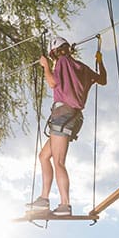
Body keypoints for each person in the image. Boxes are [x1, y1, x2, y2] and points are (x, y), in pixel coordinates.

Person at [27, 35, 107, 218]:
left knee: (59, 162)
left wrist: (45, 66)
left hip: (63, 115)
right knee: (44, 156)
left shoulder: (62, 62)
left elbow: (53, 82)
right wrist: (100, 62)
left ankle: (65, 205)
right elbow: (102, 80)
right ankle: (43, 199)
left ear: (55, 52)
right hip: (71, 116)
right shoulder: (84, 69)